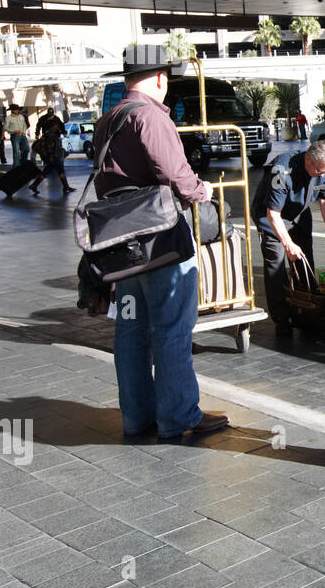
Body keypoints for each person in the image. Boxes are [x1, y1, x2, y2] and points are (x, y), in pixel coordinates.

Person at [91, 51, 228, 439]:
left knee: (131, 330)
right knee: (171, 328)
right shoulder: (150, 116)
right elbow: (174, 174)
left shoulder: (108, 120)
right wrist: (203, 191)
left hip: (122, 243)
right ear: (160, 78)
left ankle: (137, 417)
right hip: (161, 239)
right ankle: (178, 416)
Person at [251, 139, 325, 335]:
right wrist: (288, 243)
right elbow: (273, 214)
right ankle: (282, 318)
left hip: (299, 213)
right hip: (272, 215)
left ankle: (307, 306)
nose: (323, 175)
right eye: (319, 171)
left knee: (304, 257)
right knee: (276, 263)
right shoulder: (281, 170)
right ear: (308, 160)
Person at [31, 119, 75, 196]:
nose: (57, 126)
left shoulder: (49, 134)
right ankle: (66, 187)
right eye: (56, 125)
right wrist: (51, 155)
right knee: (59, 170)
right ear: (52, 126)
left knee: (48, 171)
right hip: (54, 156)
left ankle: (34, 185)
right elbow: (50, 146)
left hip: (54, 155)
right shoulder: (51, 134)